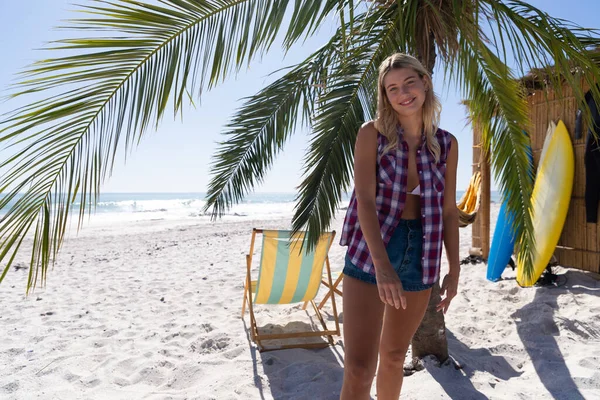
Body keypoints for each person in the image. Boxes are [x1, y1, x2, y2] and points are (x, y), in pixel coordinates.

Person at [338, 53, 460, 399]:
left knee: (393, 358)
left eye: (409, 82)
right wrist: (382, 266)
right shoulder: (370, 134)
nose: (403, 93)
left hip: (422, 255)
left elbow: (449, 211)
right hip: (371, 252)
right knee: (359, 368)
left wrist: (454, 269)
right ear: (385, 96)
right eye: (393, 88)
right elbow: (363, 199)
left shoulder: (447, 144)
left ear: (425, 83)